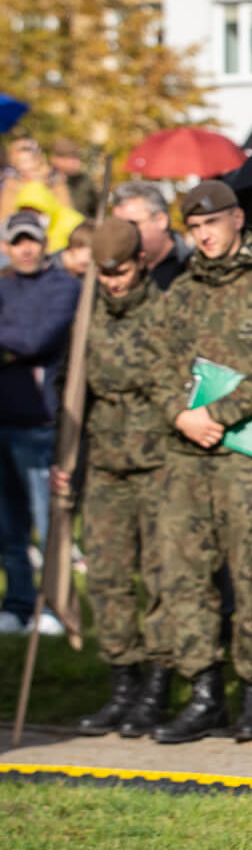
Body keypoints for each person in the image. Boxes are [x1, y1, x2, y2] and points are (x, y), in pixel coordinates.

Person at [147, 181, 252, 744]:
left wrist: (217, 412)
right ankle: (205, 694)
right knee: (186, 574)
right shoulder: (181, 288)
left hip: (247, 452)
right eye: (194, 228)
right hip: (186, 452)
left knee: (250, 571)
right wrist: (180, 414)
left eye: (211, 224)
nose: (203, 236)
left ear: (237, 218)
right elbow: (157, 362)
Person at [58, 219, 174, 736]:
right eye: (103, 275)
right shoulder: (86, 317)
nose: (113, 283)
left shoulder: (166, 311)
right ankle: (123, 685)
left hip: (159, 462)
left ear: (141, 263)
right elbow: (70, 392)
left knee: (161, 577)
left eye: (120, 272)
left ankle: (157, 687)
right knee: (106, 577)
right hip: (105, 463)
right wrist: (67, 460)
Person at [0, 211, 81, 639]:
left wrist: (15, 344)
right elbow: (24, 339)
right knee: (8, 529)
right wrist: (16, 342)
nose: (26, 249)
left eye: (31, 240)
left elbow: (37, 339)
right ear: (6, 247)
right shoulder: (2, 286)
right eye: (17, 242)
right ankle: (17, 603)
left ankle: (54, 605)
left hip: (41, 424)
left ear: (44, 242)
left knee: (48, 523)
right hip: (3, 421)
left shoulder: (64, 286)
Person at [109, 182, 192, 291]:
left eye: (132, 224)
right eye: (118, 226)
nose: (123, 233)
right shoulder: (109, 270)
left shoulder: (192, 268)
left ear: (161, 220)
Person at [49, 137, 97, 219]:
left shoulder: (85, 181)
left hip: (82, 225)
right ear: (55, 159)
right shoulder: (45, 180)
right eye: (70, 158)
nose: (76, 162)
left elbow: (95, 211)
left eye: (77, 158)